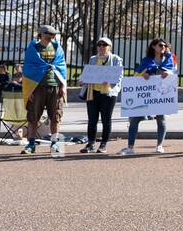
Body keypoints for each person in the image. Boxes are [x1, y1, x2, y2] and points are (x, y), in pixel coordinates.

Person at [119, 38, 175, 155]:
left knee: (161, 119)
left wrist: (168, 73)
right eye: (160, 45)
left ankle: (159, 145)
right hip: (146, 95)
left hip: (161, 95)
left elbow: (173, 73)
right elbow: (137, 74)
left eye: (165, 46)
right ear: (153, 47)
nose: (163, 47)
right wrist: (143, 75)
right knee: (135, 119)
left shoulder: (169, 59)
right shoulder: (146, 60)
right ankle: (130, 147)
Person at [21, 24, 68, 155]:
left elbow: (62, 67)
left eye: (53, 35)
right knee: (33, 117)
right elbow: (28, 70)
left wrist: (63, 86)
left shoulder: (57, 48)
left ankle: (54, 144)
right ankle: (31, 144)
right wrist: (28, 91)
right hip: (37, 87)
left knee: (56, 117)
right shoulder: (33, 49)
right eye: (49, 35)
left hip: (55, 86)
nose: (52, 37)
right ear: (41, 34)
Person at [79, 37, 122, 154]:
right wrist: (82, 80)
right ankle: (91, 143)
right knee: (92, 119)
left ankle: (103, 144)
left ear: (110, 47)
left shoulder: (116, 59)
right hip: (93, 92)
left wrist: (110, 81)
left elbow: (118, 76)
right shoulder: (93, 59)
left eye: (105, 45)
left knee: (106, 119)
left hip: (108, 94)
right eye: (99, 45)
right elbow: (87, 73)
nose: (102, 47)